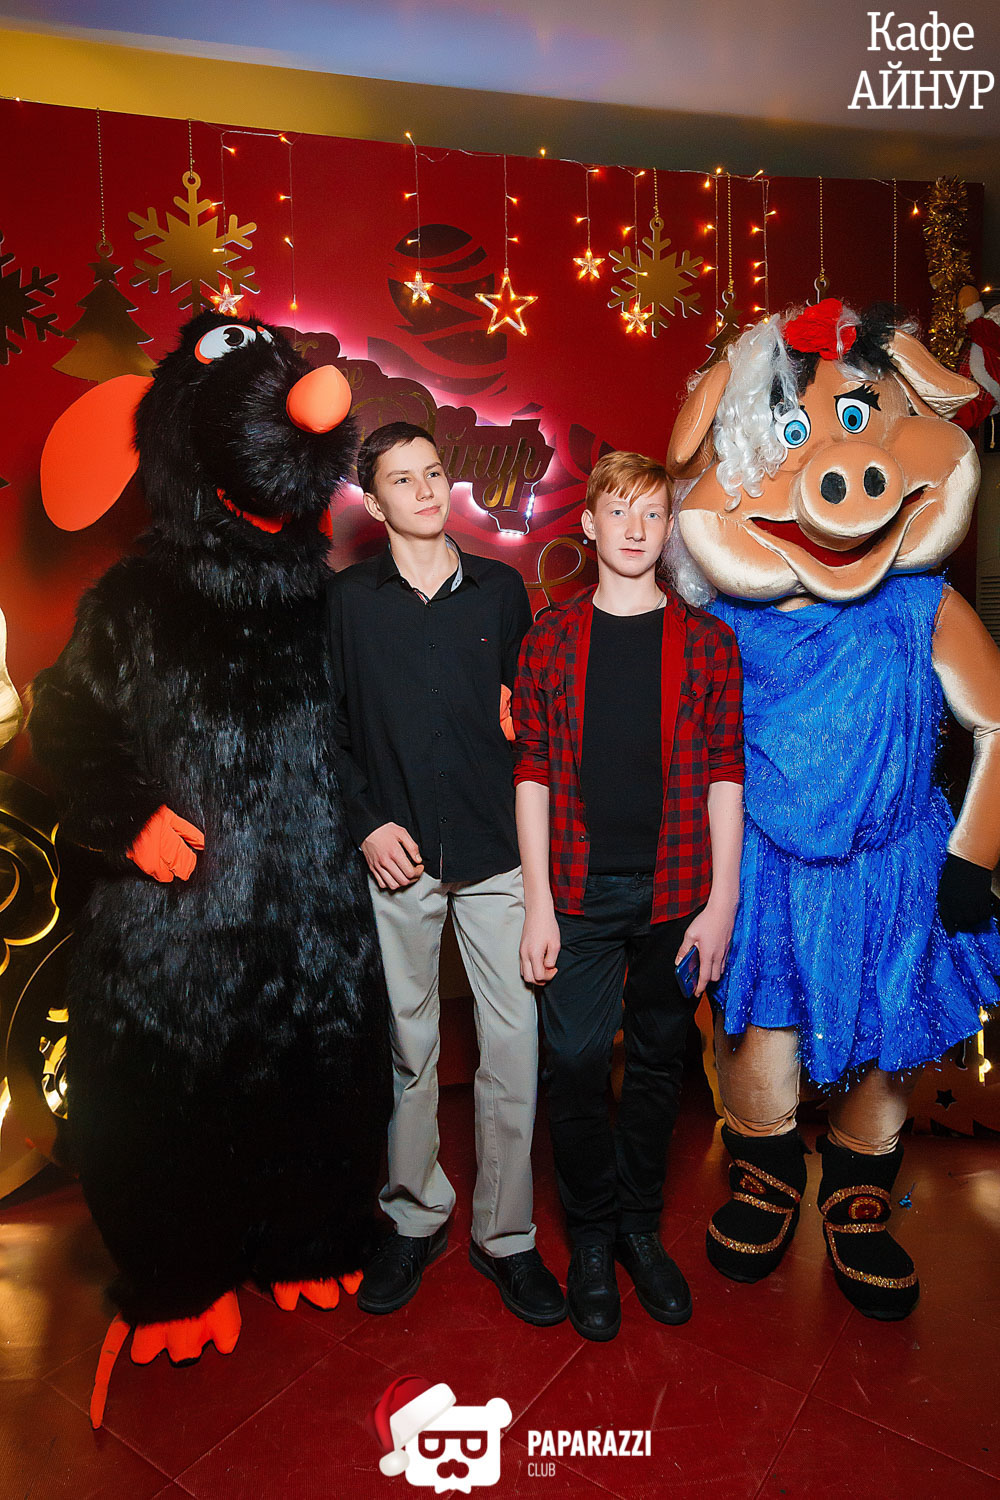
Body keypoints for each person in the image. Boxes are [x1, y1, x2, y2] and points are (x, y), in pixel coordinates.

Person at [327, 421, 565, 1326]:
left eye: (433, 472)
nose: (426, 489)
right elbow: (327, 732)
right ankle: (414, 1217)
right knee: (410, 1045)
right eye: (404, 478)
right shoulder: (346, 603)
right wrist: (365, 824)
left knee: (513, 1043)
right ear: (373, 500)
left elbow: (527, 726)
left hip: (497, 852)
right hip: (401, 859)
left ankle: (505, 1237)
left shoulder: (501, 591)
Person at [513, 451, 744, 1341]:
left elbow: (726, 774)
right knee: (573, 1062)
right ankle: (592, 1237)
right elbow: (531, 771)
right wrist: (538, 904)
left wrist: (721, 904)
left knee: (657, 1064)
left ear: (668, 527)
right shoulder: (550, 638)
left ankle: (639, 1231)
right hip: (576, 892)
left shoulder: (708, 642)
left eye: (652, 513)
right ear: (590, 524)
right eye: (620, 512)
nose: (637, 529)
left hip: (677, 893)